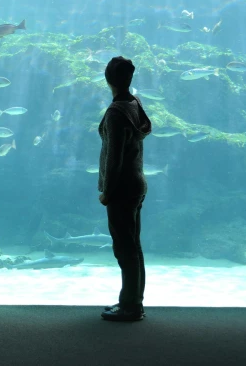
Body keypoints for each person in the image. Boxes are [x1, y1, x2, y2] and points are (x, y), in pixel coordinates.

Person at [98, 57, 152, 322]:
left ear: (108, 78)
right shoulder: (135, 104)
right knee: (134, 246)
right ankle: (134, 301)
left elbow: (114, 157)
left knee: (124, 248)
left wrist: (107, 191)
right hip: (137, 182)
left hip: (121, 187)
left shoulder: (116, 112)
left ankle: (129, 306)